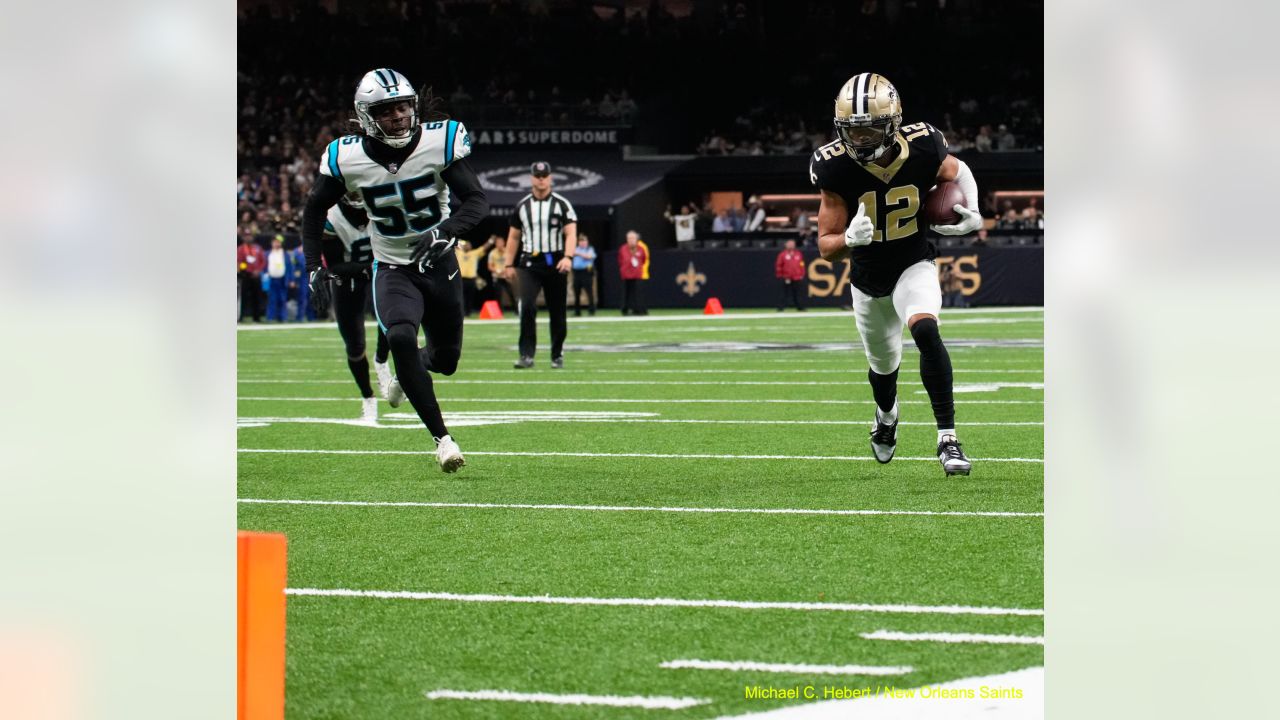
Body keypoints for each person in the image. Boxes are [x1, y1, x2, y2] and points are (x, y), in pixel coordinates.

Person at [301, 68, 489, 473]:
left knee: (446, 359)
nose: (400, 116)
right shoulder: (346, 156)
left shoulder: (440, 141)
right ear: (367, 116)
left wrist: (446, 231)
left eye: (404, 106)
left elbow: (476, 200)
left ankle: (409, 371)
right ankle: (443, 440)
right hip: (392, 267)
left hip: (438, 263)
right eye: (387, 111)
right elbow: (314, 209)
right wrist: (313, 266)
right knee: (401, 334)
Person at [811, 72, 983, 476]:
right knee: (883, 368)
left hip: (913, 261)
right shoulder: (833, 168)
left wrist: (973, 211)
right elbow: (825, 246)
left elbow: (957, 171)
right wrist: (849, 239)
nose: (862, 140)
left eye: (872, 129)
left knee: (926, 330)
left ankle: (948, 438)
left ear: (893, 122)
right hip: (868, 279)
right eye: (854, 132)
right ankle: (886, 418)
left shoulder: (924, 145)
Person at [318, 192, 393, 422]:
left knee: (393, 318)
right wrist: (364, 269)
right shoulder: (332, 218)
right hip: (349, 277)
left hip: (381, 268)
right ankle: (368, 397)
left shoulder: (382, 203)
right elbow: (334, 265)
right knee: (355, 345)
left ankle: (381, 361)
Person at [501, 161, 579, 369]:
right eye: (538, 176)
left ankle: (557, 354)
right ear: (532, 178)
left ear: (551, 177)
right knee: (526, 306)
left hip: (555, 261)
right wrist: (508, 264)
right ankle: (526, 355)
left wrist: (568, 257)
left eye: (545, 176)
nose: (541, 179)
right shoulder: (523, 205)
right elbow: (513, 238)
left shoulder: (562, 204)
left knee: (557, 309)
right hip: (529, 262)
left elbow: (571, 233)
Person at [456, 237, 494, 316]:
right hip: (460, 279)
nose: (467, 246)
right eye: (466, 245)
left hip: (471, 279)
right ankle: (461, 312)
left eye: (469, 245)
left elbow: (484, 248)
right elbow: (453, 245)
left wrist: (491, 240)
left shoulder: (474, 253)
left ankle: (468, 312)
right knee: (460, 297)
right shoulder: (459, 252)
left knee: (470, 297)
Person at [237, 234, 266, 322]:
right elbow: (239, 261)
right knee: (243, 297)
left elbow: (263, 261)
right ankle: (241, 317)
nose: (248, 238)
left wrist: (258, 270)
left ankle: (256, 317)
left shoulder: (258, 248)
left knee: (257, 296)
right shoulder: (241, 249)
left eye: (250, 236)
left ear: (253, 238)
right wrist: (245, 269)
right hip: (245, 275)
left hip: (256, 275)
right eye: (246, 236)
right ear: (243, 238)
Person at [618, 230, 648, 315]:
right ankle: (625, 310)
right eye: (629, 238)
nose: (631, 240)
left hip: (637, 275)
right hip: (626, 275)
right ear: (627, 239)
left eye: (633, 238)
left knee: (638, 294)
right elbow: (620, 261)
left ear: (636, 239)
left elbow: (644, 260)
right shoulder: (623, 249)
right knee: (626, 294)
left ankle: (639, 309)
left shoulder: (641, 248)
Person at [774, 239, 806, 311]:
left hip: (797, 277)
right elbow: (778, 265)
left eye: (792, 244)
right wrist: (780, 275)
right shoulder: (782, 255)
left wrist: (802, 274)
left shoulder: (798, 254)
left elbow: (802, 264)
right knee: (784, 293)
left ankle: (800, 307)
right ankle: (780, 308)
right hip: (786, 277)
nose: (791, 245)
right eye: (789, 244)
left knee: (798, 294)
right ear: (786, 245)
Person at [486, 238, 516, 310]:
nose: (499, 244)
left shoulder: (507, 252)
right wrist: (497, 270)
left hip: (506, 276)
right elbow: (489, 266)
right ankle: (500, 312)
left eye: (501, 242)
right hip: (497, 277)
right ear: (496, 244)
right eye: (498, 243)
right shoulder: (492, 253)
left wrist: (507, 270)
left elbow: (511, 262)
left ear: (504, 243)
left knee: (511, 293)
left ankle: (517, 311)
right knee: (498, 295)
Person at [264, 236, 290, 322]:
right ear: (272, 243)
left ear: (281, 243)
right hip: (271, 279)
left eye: (278, 242)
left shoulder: (285, 254)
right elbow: (264, 266)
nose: (276, 244)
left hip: (282, 279)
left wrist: (291, 279)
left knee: (282, 299)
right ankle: (270, 317)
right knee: (271, 299)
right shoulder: (267, 253)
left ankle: (282, 317)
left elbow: (290, 267)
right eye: (274, 242)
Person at [571, 234, 597, 316]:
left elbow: (589, 257)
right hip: (576, 273)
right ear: (578, 242)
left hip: (586, 272)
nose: (582, 243)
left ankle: (591, 310)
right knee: (576, 292)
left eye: (584, 241)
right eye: (581, 241)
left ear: (587, 242)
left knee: (589, 292)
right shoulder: (575, 249)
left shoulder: (589, 249)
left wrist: (579, 254)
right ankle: (577, 311)